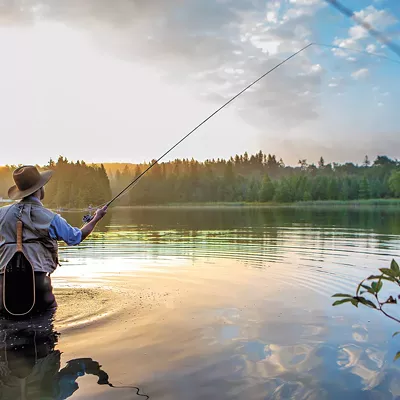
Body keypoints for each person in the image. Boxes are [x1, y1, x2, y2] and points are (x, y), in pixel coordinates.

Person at [0, 165, 108, 314]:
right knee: (46, 325)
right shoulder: (50, 218)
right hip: (38, 286)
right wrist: (96, 218)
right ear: (40, 188)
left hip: (3, 286)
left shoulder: (1, 214)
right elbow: (76, 238)